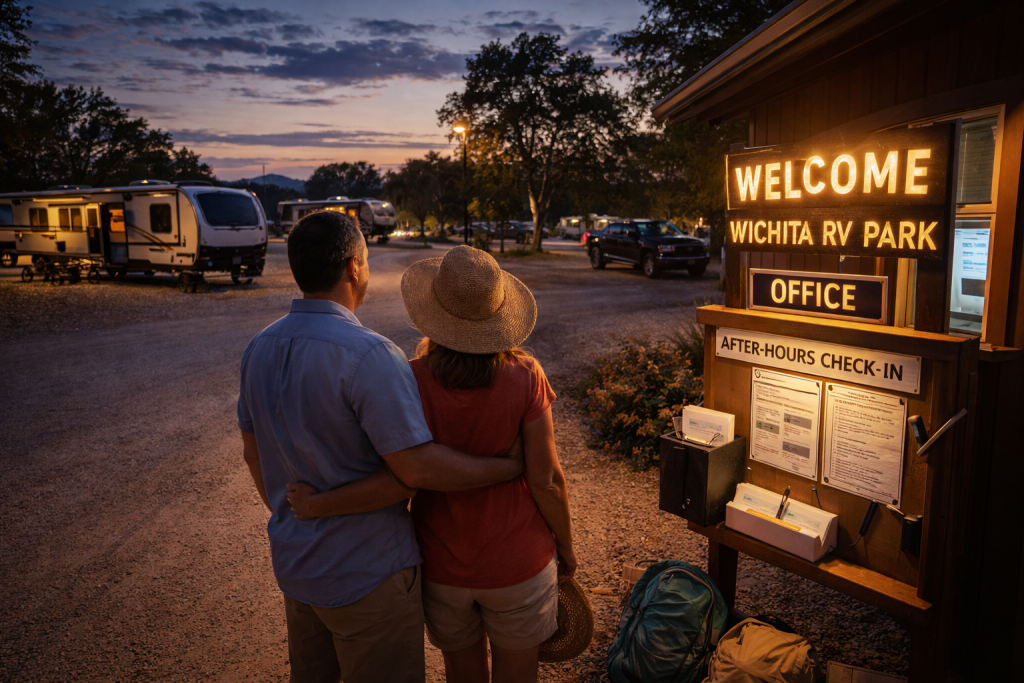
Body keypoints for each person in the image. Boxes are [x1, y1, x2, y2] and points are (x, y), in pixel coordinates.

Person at [238, 214, 525, 683]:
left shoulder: (258, 348)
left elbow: (253, 452)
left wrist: (296, 513)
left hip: (296, 566)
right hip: (368, 575)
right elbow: (414, 470)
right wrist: (506, 468)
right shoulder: (370, 355)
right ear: (353, 268)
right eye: (367, 261)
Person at [288, 245, 576, 683]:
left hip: (441, 563)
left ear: (435, 311)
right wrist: (567, 546)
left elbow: (396, 469)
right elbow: (548, 479)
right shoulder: (526, 374)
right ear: (499, 313)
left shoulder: (410, 377)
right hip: (518, 561)